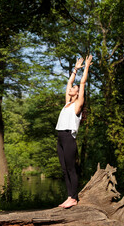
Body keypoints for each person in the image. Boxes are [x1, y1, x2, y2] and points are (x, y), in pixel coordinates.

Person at [55, 55, 93, 208]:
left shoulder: (78, 105)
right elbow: (69, 82)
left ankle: (74, 198)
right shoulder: (67, 103)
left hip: (69, 137)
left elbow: (82, 83)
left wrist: (87, 66)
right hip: (60, 137)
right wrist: (75, 69)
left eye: (74, 89)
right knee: (64, 169)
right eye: (71, 88)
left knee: (71, 168)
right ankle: (69, 196)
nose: (71, 89)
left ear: (78, 93)